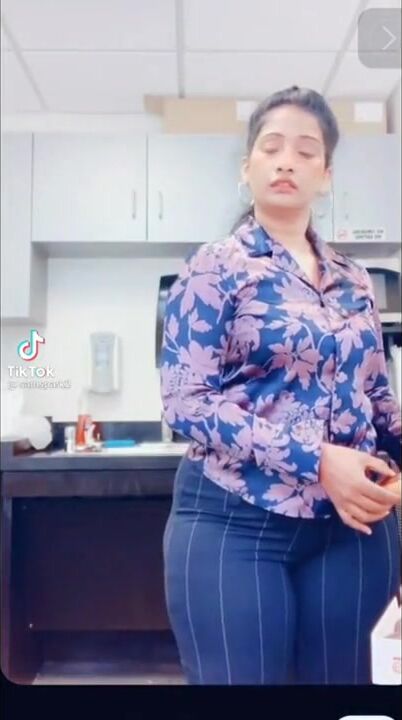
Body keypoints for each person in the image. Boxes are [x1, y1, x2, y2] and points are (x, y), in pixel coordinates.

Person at [159, 86, 401, 685]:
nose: (287, 161)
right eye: (271, 148)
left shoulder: (356, 280)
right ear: (247, 168)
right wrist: (317, 460)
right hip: (235, 520)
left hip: (352, 526)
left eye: (306, 151)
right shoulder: (214, 266)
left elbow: (377, 396)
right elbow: (186, 400)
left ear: (326, 175)